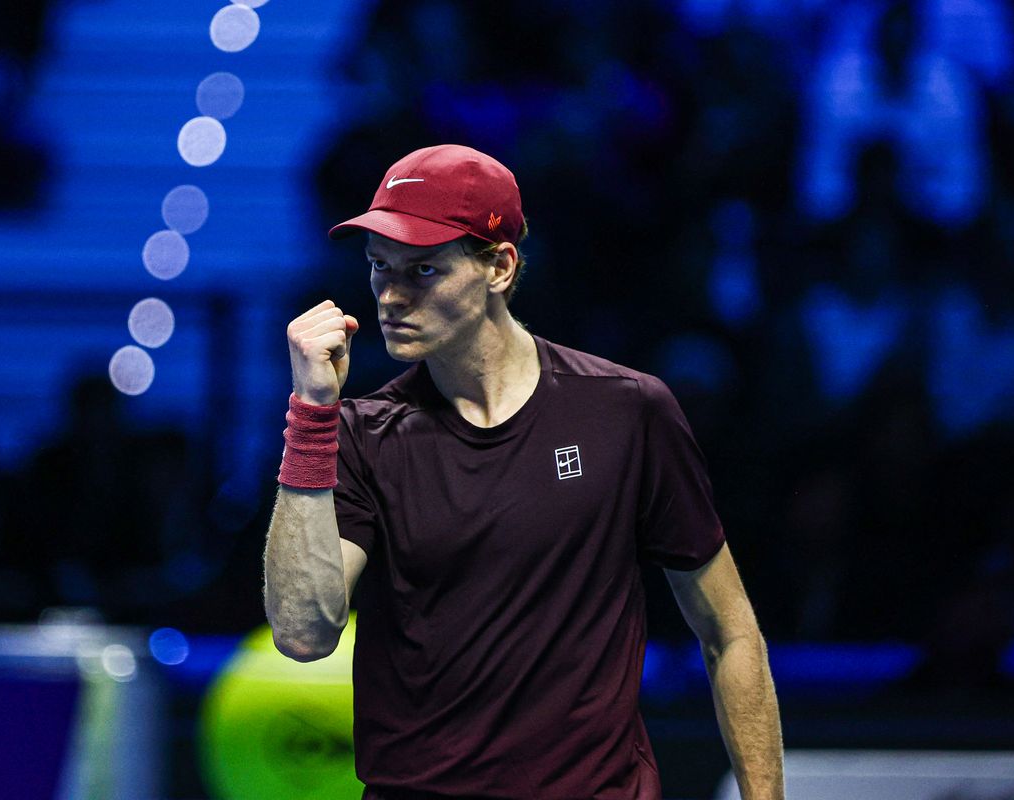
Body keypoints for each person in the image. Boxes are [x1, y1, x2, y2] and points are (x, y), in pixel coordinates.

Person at [264, 144, 783, 800]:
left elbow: (730, 633)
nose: (390, 297)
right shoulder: (359, 434)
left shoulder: (626, 411)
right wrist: (311, 414)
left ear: (500, 267)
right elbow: (303, 633)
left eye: (422, 270)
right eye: (379, 266)